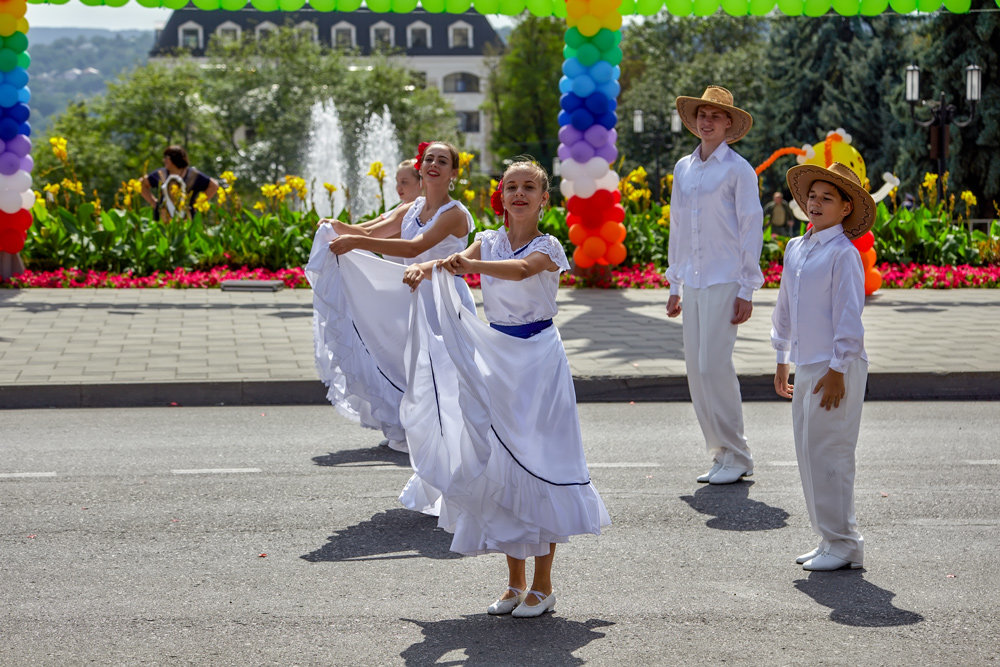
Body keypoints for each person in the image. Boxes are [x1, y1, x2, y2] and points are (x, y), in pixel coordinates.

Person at [399, 158, 610, 618]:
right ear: (502, 194)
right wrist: (428, 269)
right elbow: (456, 263)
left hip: (538, 361)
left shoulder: (548, 247)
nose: (518, 194)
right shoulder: (489, 240)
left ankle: (544, 585)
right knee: (502, 466)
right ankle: (514, 583)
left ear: (543, 198)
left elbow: (518, 271)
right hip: (497, 358)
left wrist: (467, 263)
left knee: (540, 461)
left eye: (528, 188)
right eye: (510, 186)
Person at [306, 141, 475, 454]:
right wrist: (334, 226)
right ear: (421, 167)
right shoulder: (411, 208)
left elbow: (415, 248)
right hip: (411, 294)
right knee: (407, 362)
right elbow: (370, 234)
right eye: (429, 159)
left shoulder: (454, 214)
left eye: (442, 161)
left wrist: (354, 240)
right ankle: (412, 426)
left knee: (440, 366)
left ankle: (449, 432)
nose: (434, 164)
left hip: (442, 297)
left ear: (453, 172)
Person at [773, 161, 874, 571]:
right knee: (808, 452)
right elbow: (784, 309)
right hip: (808, 363)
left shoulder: (843, 254)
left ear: (846, 208)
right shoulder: (797, 248)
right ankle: (829, 536)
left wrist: (838, 370)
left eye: (827, 198)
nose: (815, 203)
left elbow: (850, 316)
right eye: (812, 196)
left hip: (837, 367)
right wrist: (782, 358)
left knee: (831, 452)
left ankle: (845, 541)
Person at [665, 85, 764, 485]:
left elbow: (750, 227)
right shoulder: (683, 168)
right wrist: (674, 283)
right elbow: (677, 226)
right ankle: (721, 452)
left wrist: (747, 288)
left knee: (714, 366)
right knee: (696, 370)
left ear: (729, 125)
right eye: (701, 115)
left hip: (726, 279)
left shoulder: (739, 170)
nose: (706, 122)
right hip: (693, 280)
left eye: (715, 116)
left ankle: (739, 453)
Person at [140, 146, 219, 221]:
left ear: (174, 158)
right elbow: (141, 183)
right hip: (162, 218)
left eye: (166, 158)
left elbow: (214, 186)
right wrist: (153, 202)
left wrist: (198, 203)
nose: (164, 160)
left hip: (187, 219)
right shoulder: (161, 174)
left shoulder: (193, 175)